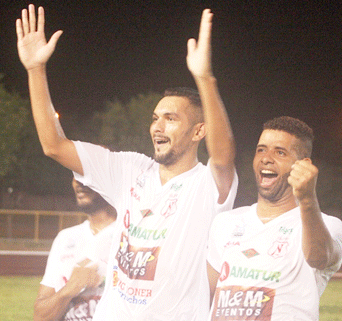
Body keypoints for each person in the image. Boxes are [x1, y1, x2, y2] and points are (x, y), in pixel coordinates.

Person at [16, 5, 237, 320]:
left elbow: (224, 153)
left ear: (199, 131)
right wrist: (35, 70)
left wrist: (205, 79)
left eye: (171, 119)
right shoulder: (131, 170)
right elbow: (54, 146)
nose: (157, 127)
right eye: (155, 118)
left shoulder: (207, 185)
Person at [206, 116, 342, 321]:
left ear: (303, 165)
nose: (266, 158)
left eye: (279, 152)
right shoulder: (225, 222)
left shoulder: (328, 225)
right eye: (261, 150)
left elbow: (319, 257)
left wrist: (307, 198)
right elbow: (206, 296)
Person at [34, 178, 117, 321]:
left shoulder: (133, 236)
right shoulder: (65, 238)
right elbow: (40, 317)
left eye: (87, 175)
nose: (79, 182)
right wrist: (70, 288)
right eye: (75, 175)